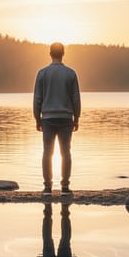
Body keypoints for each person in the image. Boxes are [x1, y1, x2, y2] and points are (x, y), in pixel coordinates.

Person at [33, 42, 81, 196]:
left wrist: (37, 118)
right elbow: (75, 99)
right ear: (63, 53)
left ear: (50, 53)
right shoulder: (71, 73)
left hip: (47, 118)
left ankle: (47, 187)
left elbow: (37, 99)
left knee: (47, 152)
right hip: (66, 118)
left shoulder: (42, 73)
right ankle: (65, 187)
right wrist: (77, 117)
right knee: (65, 152)